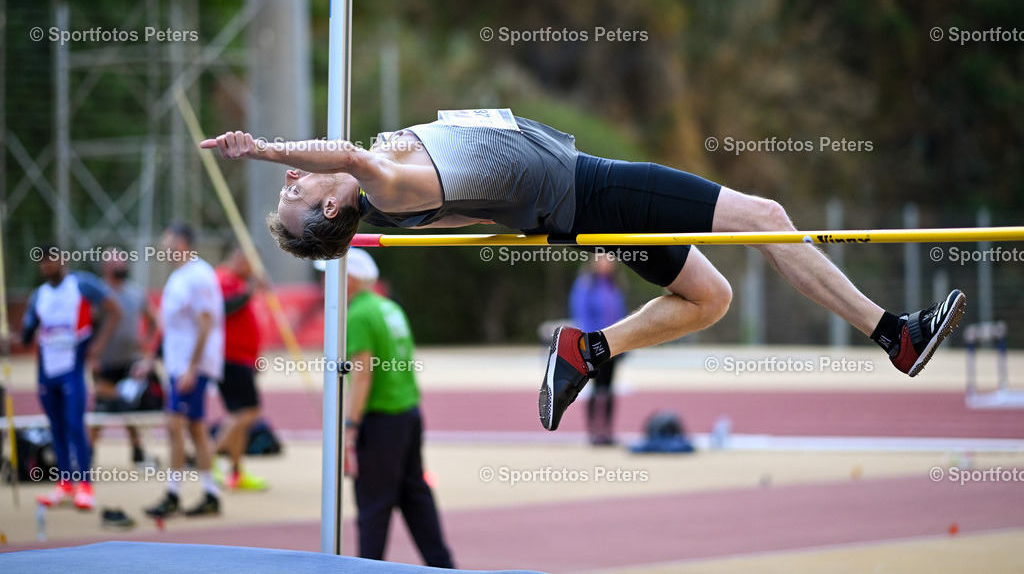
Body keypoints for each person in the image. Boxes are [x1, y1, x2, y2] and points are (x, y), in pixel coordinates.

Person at [201, 108, 968, 431]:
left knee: (710, 296)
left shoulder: (390, 182)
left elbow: (482, 205)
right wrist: (261, 148)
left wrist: (530, 217)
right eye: (297, 193)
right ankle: (894, 334)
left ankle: (588, 349)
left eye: (289, 182)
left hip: (576, 207)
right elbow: (342, 153)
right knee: (767, 216)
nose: (293, 179)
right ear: (334, 208)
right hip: (594, 190)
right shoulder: (387, 184)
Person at [342, 248, 455, 568]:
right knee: (415, 497)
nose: (327, 286)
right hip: (407, 412)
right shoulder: (389, 307)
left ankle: (368, 568)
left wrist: (350, 426)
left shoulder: (359, 315)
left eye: (333, 277)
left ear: (350, 279)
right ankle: (444, 566)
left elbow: (362, 375)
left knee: (374, 505)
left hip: (381, 419)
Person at [21, 243, 122, 510]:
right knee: (56, 427)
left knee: (75, 424)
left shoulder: (81, 285)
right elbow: (27, 333)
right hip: (47, 371)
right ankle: (64, 483)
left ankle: (85, 486)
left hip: (72, 369)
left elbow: (114, 310)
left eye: (51, 260)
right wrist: (19, 334)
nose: (46, 265)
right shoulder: (38, 296)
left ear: (63, 260)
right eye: (42, 261)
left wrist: (98, 346)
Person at [145, 223, 225, 518]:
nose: (162, 247)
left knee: (175, 425)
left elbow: (206, 322)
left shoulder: (198, 275)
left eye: (166, 241)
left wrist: (192, 368)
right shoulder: (179, 276)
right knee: (196, 428)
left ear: (181, 243)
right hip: (180, 364)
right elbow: (171, 325)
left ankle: (173, 493)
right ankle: (210, 493)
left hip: (192, 366)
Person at [89, 250, 160, 465]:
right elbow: (90, 326)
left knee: (130, 407)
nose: (121, 265)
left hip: (130, 360)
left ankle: (137, 450)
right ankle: (88, 453)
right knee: (101, 408)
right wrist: (93, 355)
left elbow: (154, 319)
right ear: (105, 267)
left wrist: (146, 342)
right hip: (105, 362)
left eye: (123, 260)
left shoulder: (136, 293)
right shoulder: (99, 294)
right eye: (115, 262)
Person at [213, 248, 268, 491]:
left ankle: (236, 471)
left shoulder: (238, 282)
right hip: (229, 357)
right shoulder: (223, 278)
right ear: (239, 258)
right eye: (251, 263)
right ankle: (211, 456)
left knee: (240, 413)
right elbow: (223, 308)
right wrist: (250, 290)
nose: (254, 269)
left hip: (242, 358)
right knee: (248, 412)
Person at [570, 255, 628, 445]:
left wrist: (625, 341)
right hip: (594, 344)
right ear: (594, 261)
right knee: (595, 388)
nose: (607, 262)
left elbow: (620, 315)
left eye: (610, 259)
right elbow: (582, 315)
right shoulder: (586, 284)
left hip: (614, 344)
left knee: (609, 389)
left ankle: (608, 431)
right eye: (603, 258)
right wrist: (588, 343)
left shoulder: (615, 284)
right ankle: (593, 432)